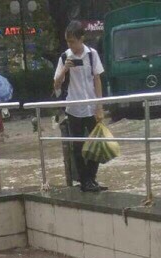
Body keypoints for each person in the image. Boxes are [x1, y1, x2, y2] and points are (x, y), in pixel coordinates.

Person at [53, 21, 106, 193]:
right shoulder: (64, 57)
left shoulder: (92, 54)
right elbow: (56, 85)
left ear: (81, 38)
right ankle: (84, 182)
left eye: (73, 41)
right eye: (68, 42)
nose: (71, 45)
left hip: (91, 107)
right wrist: (64, 70)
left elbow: (97, 79)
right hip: (74, 108)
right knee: (77, 147)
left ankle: (91, 178)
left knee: (96, 145)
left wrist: (99, 106)